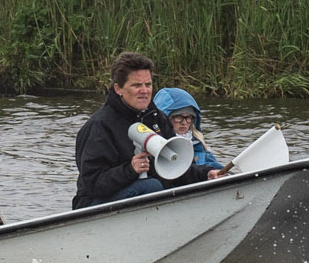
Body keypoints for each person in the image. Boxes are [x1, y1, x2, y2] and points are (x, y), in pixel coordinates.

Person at [74, 50, 185, 208]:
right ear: (118, 89)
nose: (145, 91)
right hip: (93, 204)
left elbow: (175, 164)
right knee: (151, 186)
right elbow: (93, 183)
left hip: (141, 191)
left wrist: (207, 173)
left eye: (148, 84)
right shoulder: (99, 126)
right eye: (136, 85)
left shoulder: (157, 118)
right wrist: (130, 170)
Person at [151, 86, 232, 181]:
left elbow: (216, 167)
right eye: (178, 117)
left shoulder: (197, 144)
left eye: (188, 117)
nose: (184, 122)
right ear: (165, 118)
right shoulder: (153, 146)